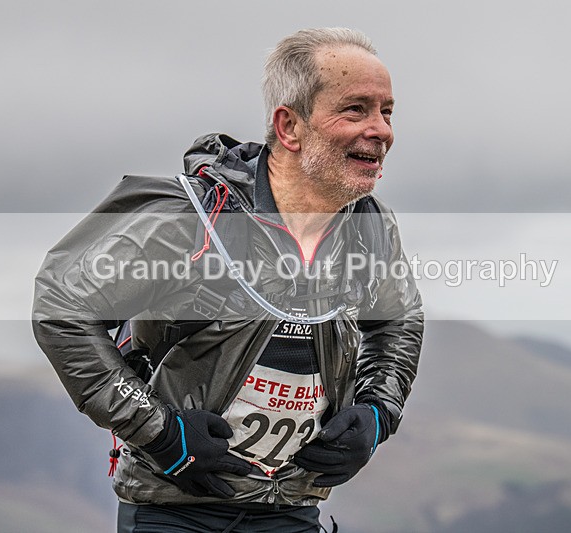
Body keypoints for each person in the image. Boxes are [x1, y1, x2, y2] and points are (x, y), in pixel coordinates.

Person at [33, 27, 424, 533]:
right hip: (173, 513)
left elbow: (399, 320)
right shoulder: (193, 218)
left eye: (386, 111)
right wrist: (161, 434)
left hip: (292, 508)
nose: (382, 130)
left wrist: (376, 414)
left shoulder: (370, 225)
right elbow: (62, 307)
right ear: (289, 126)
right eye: (356, 110)